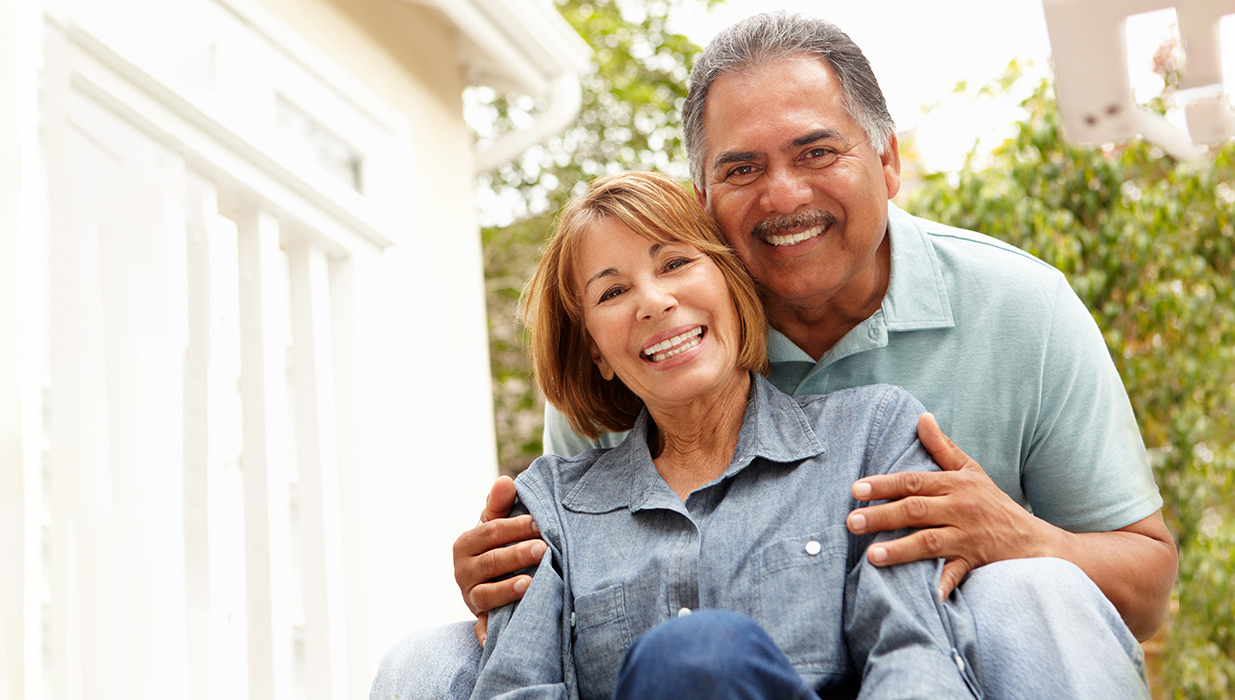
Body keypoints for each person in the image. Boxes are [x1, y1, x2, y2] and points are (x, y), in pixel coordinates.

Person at [373, 11, 1172, 700]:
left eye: (817, 152)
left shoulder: (1009, 313)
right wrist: (511, 584)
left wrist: (1019, 536)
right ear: (704, 205)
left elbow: (1139, 582)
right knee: (430, 658)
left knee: (1026, 590)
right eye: (742, 169)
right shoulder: (631, 377)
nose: (783, 195)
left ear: (889, 161)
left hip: (951, 656)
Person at [473, 170, 975, 699]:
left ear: (730, 285)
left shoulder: (875, 436)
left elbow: (916, 655)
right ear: (596, 351)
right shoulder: (547, 509)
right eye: (613, 291)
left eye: (675, 262)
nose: (653, 301)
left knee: (703, 652)